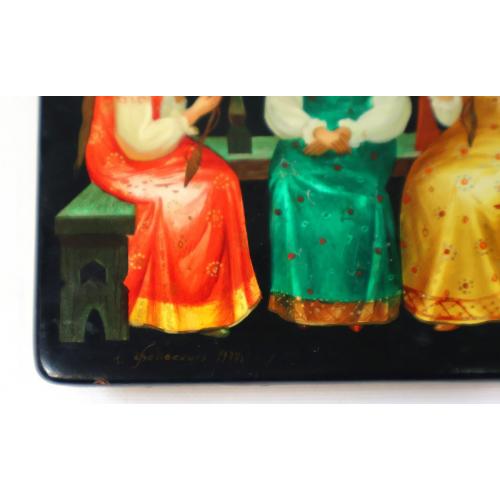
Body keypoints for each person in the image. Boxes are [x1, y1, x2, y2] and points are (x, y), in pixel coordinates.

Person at [84, 96, 261, 336]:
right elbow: (138, 143)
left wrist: (179, 104)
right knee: (190, 194)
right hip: (124, 158)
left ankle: (210, 304)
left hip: (161, 148)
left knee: (224, 181)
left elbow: (163, 114)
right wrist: (195, 111)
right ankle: (174, 305)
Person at [264, 96, 411, 329]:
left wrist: (350, 132)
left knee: (361, 198)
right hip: (304, 141)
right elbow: (280, 102)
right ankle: (303, 302)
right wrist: (315, 131)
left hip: (362, 143)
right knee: (287, 182)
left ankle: (357, 304)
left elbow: (393, 105)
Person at [401, 96, 500, 330]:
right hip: (472, 140)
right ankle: (457, 300)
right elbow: (449, 115)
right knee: (442, 183)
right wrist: (447, 98)